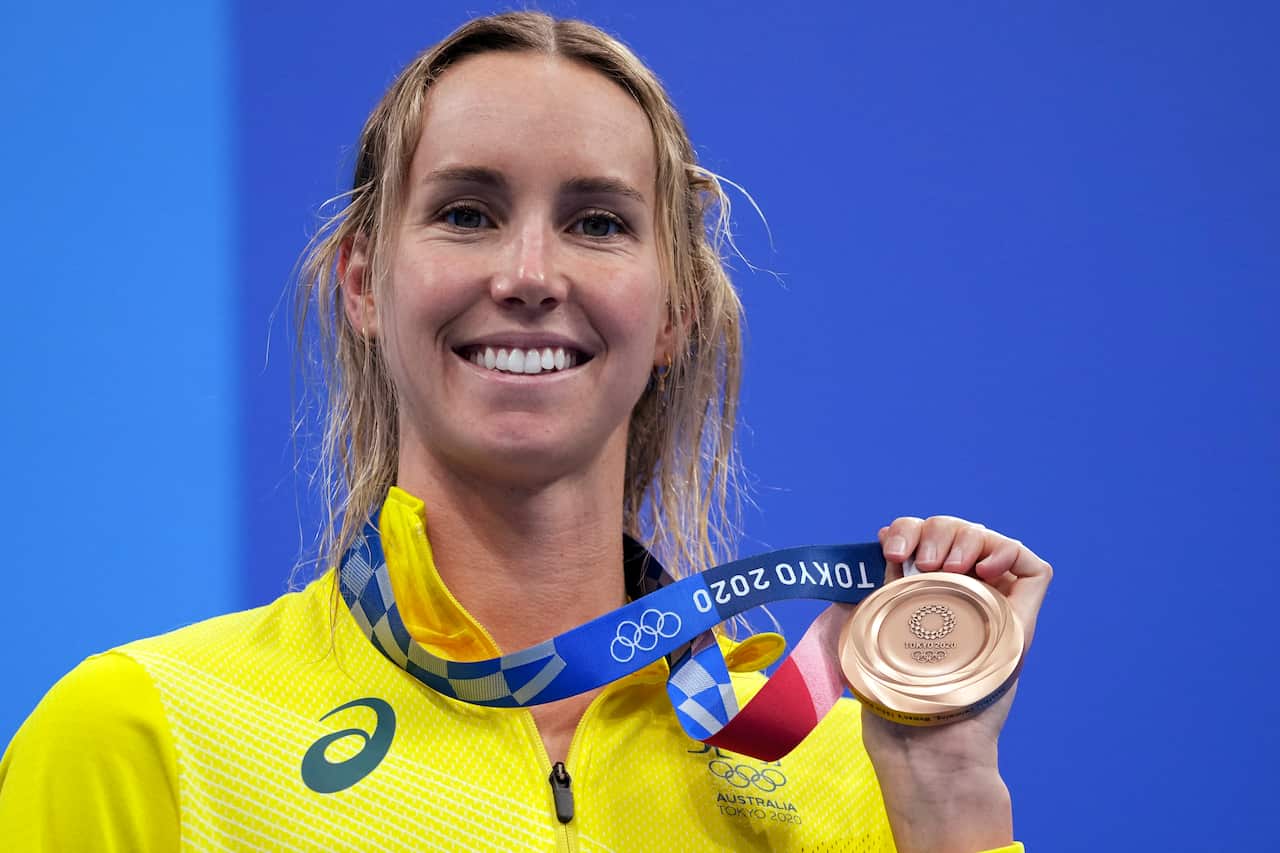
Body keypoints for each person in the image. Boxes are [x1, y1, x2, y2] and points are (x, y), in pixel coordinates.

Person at [0, 11, 1051, 851]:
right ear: (364, 283)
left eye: (597, 223)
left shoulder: (839, 761)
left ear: (674, 311)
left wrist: (945, 784)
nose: (529, 277)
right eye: (465, 212)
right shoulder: (150, 734)